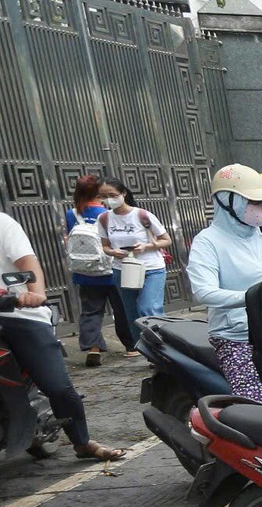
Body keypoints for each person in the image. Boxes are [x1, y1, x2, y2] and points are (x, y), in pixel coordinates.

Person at [0, 208, 125, 460]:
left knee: (56, 385)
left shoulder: (3, 224)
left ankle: (82, 441)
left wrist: (34, 293)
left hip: (16, 312)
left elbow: (27, 262)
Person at [187, 164, 262, 402]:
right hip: (237, 335)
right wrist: (255, 297)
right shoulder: (208, 242)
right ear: (227, 201)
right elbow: (203, 292)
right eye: (255, 202)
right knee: (256, 404)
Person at [63, 173, 135, 364]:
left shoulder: (72, 214)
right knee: (122, 309)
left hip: (85, 271)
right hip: (112, 268)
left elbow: (68, 239)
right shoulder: (107, 214)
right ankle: (131, 347)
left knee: (91, 311)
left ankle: (92, 348)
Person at [100, 178, 171, 322]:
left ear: (123, 193)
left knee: (148, 309)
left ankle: (160, 343)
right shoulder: (104, 219)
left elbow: (166, 240)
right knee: (132, 314)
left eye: (112, 195)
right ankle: (138, 344)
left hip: (151, 268)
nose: (109, 199)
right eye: (103, 196)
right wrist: (113, 252)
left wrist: (147, 246)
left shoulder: (143, 215)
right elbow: (105, 246)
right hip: (123, 269)